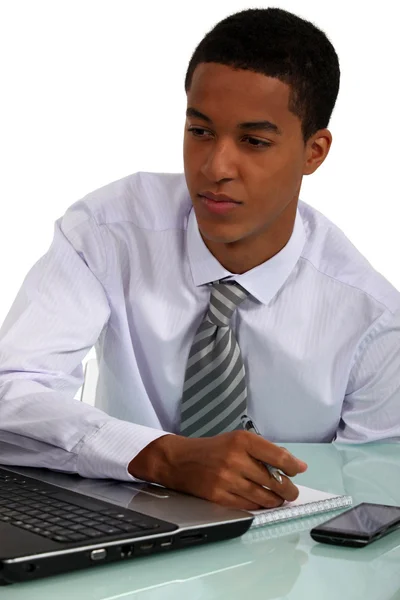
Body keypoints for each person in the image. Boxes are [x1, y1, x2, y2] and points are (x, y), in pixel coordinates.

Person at [0, 8, 399, 513]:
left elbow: (374, 509)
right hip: (118, 539)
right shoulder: (107, 233)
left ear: (314, 152)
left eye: (254, 142)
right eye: (201, 131)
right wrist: (158, 456)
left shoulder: (375, 322)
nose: (215, 167)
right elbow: (10, 391)